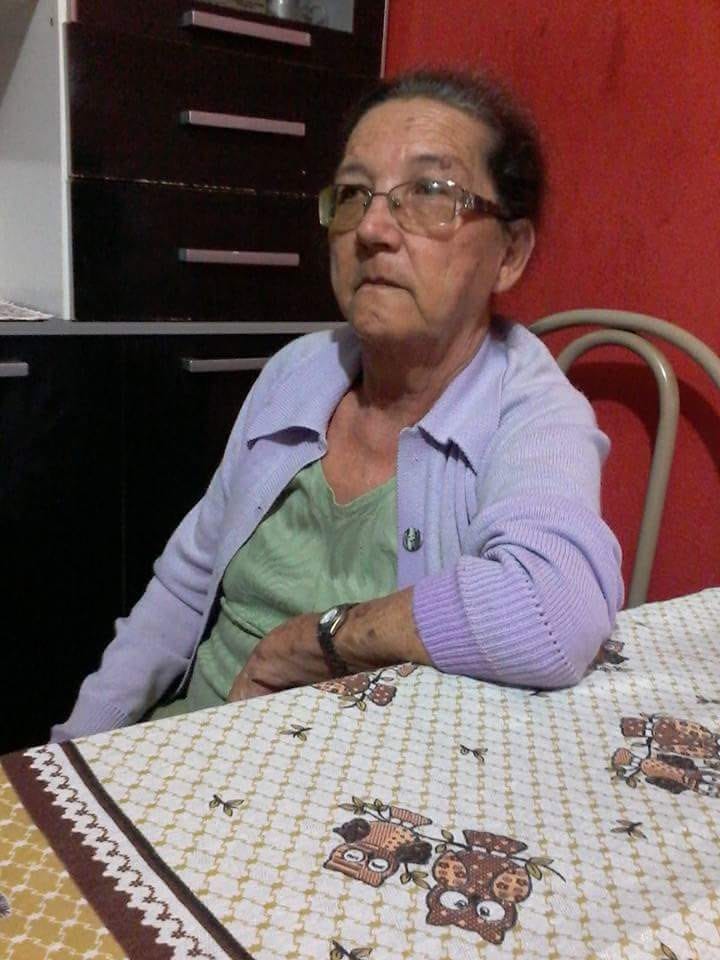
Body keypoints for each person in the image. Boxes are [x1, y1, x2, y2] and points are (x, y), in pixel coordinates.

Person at [51, 68, 623, 741]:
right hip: (190, 746)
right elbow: (184, 585)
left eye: (429, 192)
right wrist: (75, 749)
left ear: (510, 253)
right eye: (353, 193)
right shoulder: (298, 370)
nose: (372, 228)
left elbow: (555, 609)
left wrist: (318, 640)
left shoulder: (531, 412)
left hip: (348, 786)